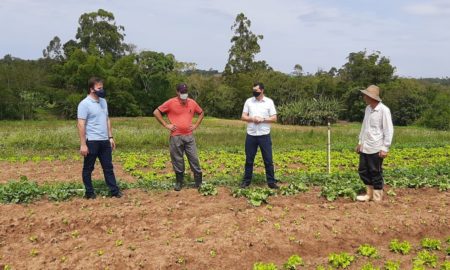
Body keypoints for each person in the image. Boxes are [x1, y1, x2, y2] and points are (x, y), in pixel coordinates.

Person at [153, 83, 204, 191]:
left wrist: (195, 125)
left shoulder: (192, 103)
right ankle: (179, 182)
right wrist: (166, 125)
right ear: (177, 92)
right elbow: (156, 112)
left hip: (189, 136)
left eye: (185, 92)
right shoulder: (171, 102)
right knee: (177, 159)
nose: (184, 94)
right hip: (176, 137)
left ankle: (198, 183)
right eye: (182, 92)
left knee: (194, 158)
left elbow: (201, 113)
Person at [77, 77, 122, 199]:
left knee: (108, 167)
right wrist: (83, 144)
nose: (102, 90)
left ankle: (114, 191)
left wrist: (110, 137)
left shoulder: (103, 101)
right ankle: (89, 193)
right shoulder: (84, 104)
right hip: (92, 141)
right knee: (88, 168)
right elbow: (81, 124)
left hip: (104, 141)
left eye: (102, 87)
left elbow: (107, 119)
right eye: (99, 88)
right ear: (92, 89)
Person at [355, 85, 394, 202]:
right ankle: (369, 194)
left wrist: (385, 148)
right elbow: (364, 127)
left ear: (372, 97)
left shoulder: (384, 110)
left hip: (376, 147)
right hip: (365, 146)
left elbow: (388, 130)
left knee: (375, 171)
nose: (364, 97)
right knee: (363, 170)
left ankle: (377, 197)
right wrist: (360, 142)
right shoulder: (368, 109)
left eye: (366, 95)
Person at [240, 82, 279, 189]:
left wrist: (263, 119)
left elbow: (274, 118)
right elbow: (243, 117)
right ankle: (246, 181)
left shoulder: (269, 102)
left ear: (262, 90)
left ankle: (271, 182)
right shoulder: (249, 101)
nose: (254, 92)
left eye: (256, 91)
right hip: (251, 134)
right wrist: (253, 118)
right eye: (253, 90)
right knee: (249, 159)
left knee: (268, 160)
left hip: (264, 135)